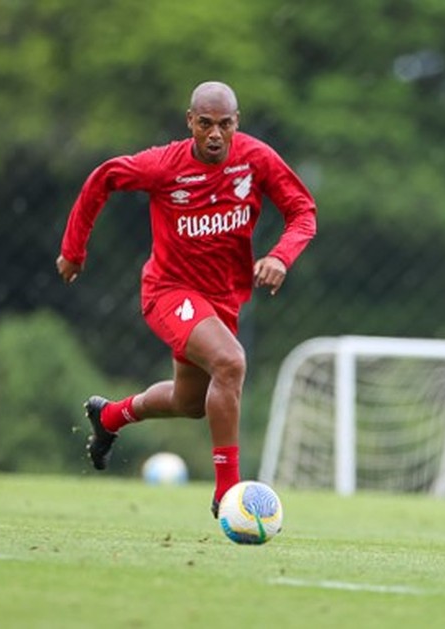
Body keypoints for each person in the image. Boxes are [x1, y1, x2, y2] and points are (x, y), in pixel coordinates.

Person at [56, 81, 317, 517]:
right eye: (206, 124)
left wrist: (281, 256)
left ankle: (111, 417)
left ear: (237, 123)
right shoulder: (162, 165)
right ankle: (228, 494)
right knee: (230, 362)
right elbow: (104, 178)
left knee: (190, 403)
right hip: (168, 292)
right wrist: (73, 249)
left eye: (225, 125)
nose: (215, 134)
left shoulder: (256, 159)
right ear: (190, 122)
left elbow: (303, 212)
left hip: (222, 301)